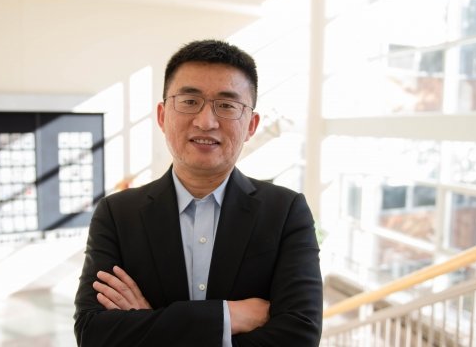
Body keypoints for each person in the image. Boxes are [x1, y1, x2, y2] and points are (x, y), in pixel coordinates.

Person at [73, 39, 322, 346]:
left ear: (251, 125)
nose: (206, 121)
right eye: (190, 102)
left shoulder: (285, 212)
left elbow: (300, 336)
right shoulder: (117, 213)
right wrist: (228, 317)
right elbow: (93, 333)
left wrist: (150, 322)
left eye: (227, 105)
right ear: (163, 116)